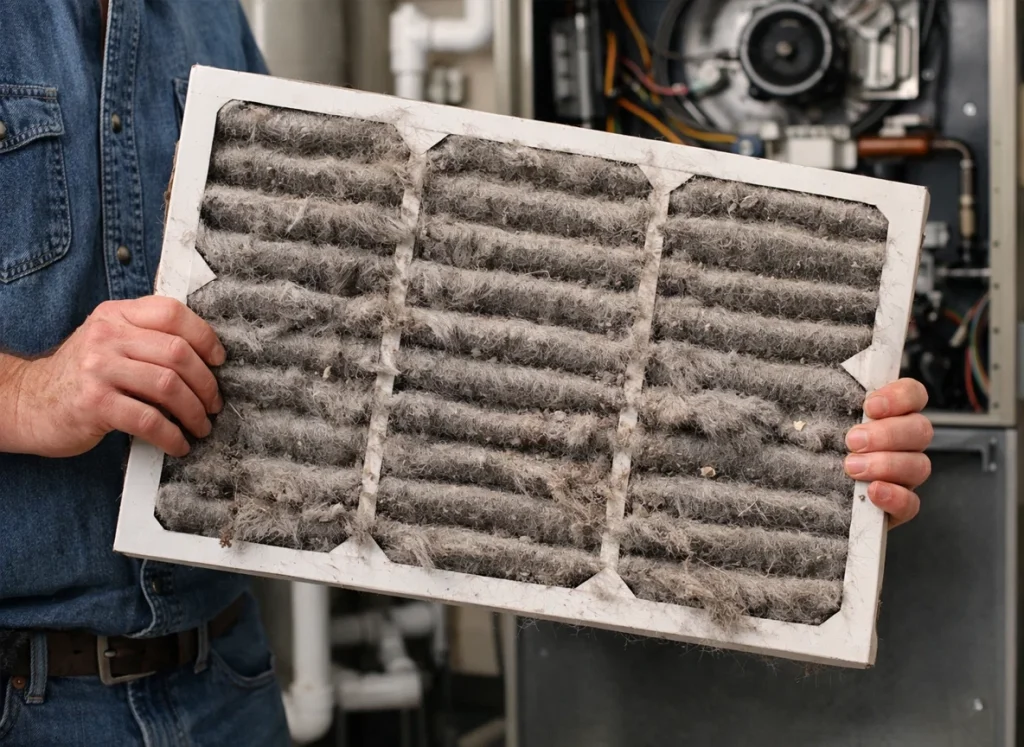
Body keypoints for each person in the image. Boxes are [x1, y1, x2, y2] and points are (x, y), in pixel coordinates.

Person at [0, 1, 932, 745]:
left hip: (222, 676)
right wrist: (32, 393)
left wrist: (824, 457)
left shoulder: (203, 17)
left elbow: (338, 339)